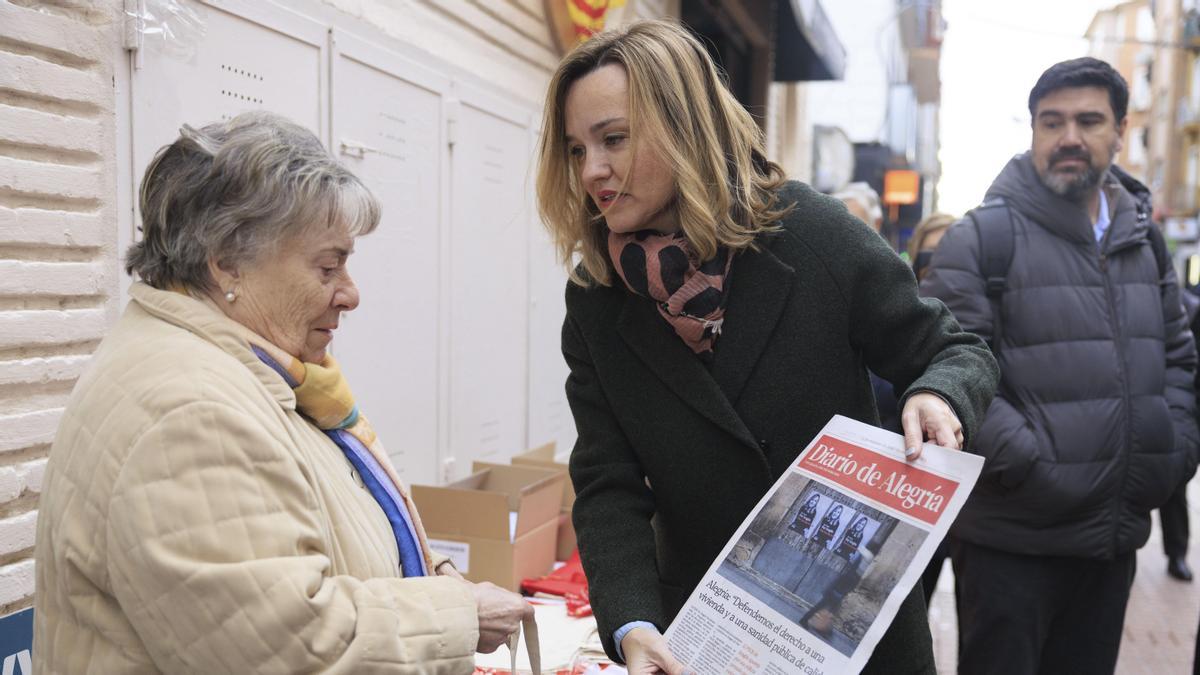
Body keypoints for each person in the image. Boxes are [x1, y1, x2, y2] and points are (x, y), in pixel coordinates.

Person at [535, 19, 999, 674]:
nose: (593, 170)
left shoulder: (810, 233)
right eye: (576, 149)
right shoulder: (595, 299)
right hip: (710, 640)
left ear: (686, 126)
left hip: (854, 632)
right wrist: (633, 620)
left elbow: (955, 350)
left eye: (613, 138)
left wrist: (936, 394)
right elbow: (607, 482)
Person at [33, 112, 532, 673]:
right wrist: (457, 615)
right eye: (328, 267)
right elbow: (289, 649)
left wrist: (433, 575)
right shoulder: (190, 410)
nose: (350, 294)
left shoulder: (248, 370)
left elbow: (324, 539)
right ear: (227, 264)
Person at [922, 57, 1198, 674]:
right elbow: (947, 361)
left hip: (1112, 541)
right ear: (1033, 132)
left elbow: (1179, 357)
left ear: (1120, 131)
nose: (1069, 136)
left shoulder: (1144, 240)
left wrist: (1173, 451)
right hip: (1010, 541)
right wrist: (1032, 464)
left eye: (1088, 120)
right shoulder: (980, 239)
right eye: (1052, 122)